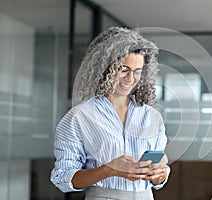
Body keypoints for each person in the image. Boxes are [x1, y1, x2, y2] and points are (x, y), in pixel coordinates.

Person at [50, 27, 170, 200]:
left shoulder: (152, 116)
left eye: (137, 71)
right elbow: (62, 177)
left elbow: (160, 174)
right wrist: (109, 170)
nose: (130, 79)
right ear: (105, 68)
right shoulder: (80, 116)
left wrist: (160, 174)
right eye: (123, 69)